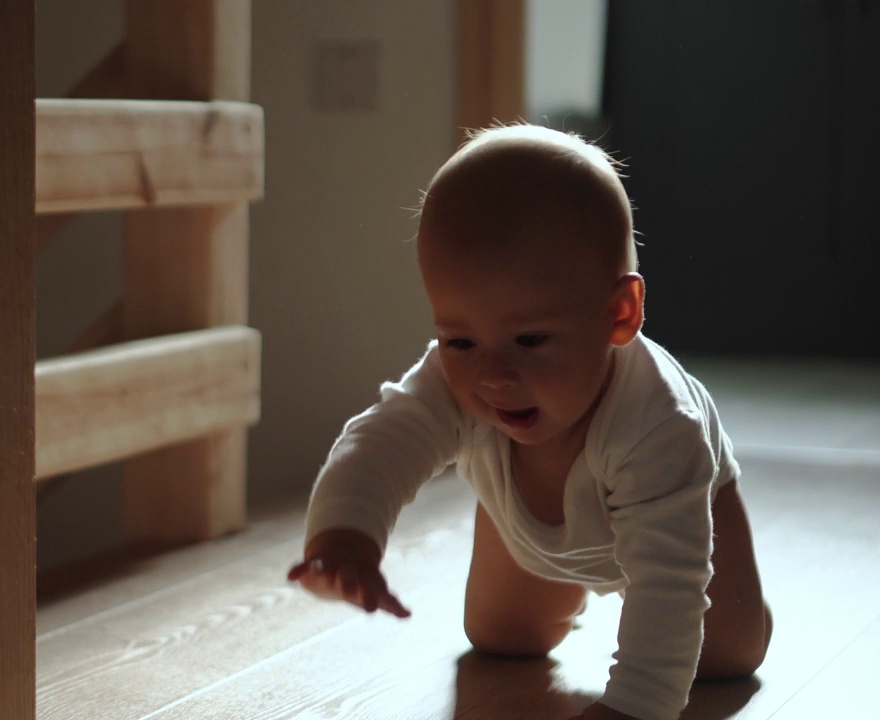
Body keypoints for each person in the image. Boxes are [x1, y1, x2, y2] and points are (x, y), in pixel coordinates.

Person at [286, 124, 772, 720]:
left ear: (619, 314)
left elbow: (671, 587)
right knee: (500, 639)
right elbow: (381, 442)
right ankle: (558, 585)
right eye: (459, 338)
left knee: (725, 656)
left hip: (684, 528)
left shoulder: (659, 425)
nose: (493, 376)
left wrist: (635, 708)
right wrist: (343, 537)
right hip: (531, 530)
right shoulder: (456, 382)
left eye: (531, 339)